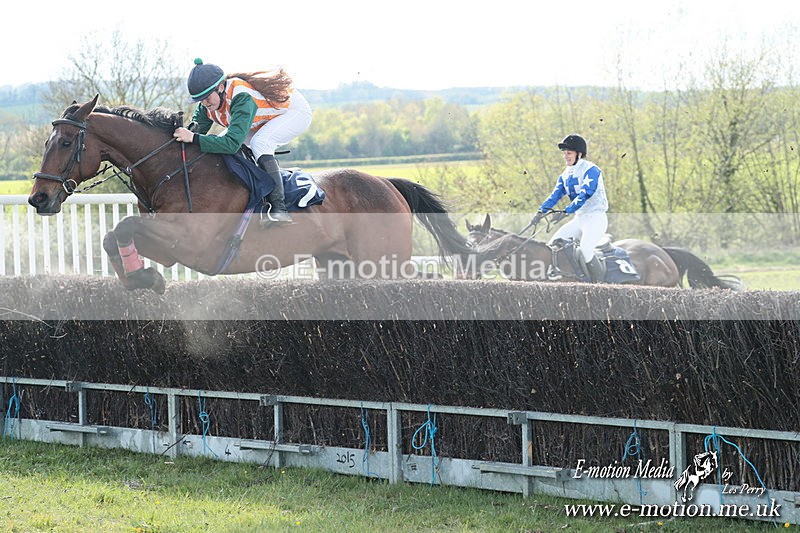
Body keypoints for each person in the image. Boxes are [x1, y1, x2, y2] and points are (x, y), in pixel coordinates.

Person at [173, 58, 312, 227]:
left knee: (260, 143)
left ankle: (279, 209)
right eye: (200, 99)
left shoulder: (241, 96)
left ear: (221, 87)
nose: (205, 103)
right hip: (262, 119)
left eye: (207, 97)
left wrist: (193, 138)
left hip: (293, 112)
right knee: (221, 142)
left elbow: (230, 143)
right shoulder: (207, 104)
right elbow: (194, 135)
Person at [531, 134, 608, 282]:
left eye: (569, 153)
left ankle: (600, 285)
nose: (566, 156)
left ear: (579, 154)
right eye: (564, 153)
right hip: (579, 219)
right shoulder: (565, 175)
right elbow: (555, 195)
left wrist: (567, 211)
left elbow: (585, 194)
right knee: (552, 246)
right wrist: (541, 211)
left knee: (585, 249)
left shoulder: (591, 170)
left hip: (595, 218)